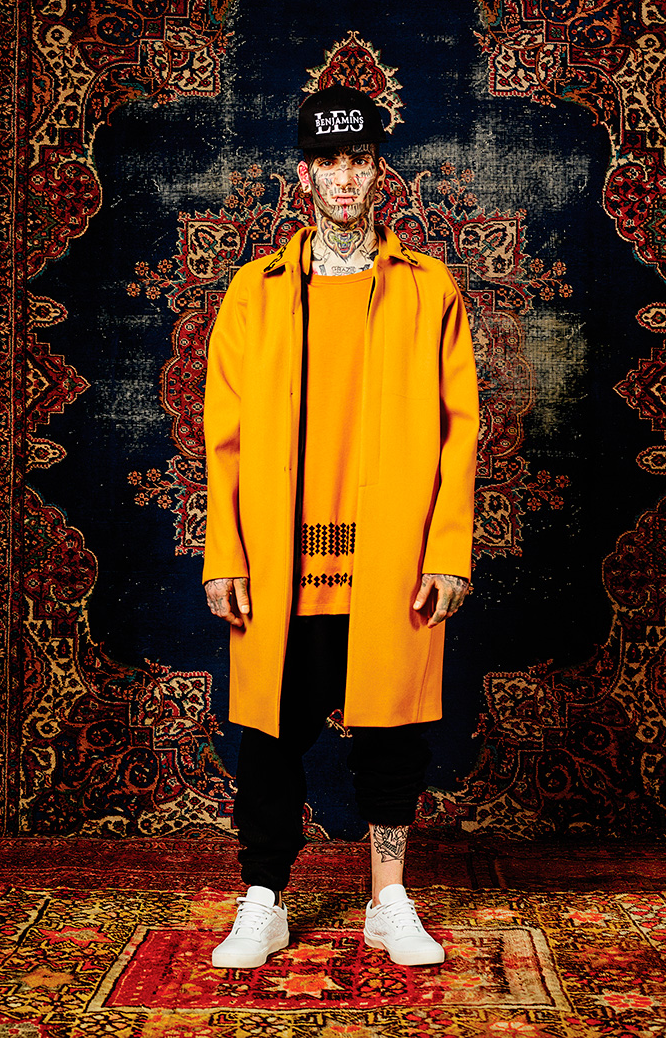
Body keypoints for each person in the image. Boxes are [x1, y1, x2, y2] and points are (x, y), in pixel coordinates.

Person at [203, 84, 479, 970]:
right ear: (304, 175)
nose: (346, 177)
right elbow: (222, 436)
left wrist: (448, 550)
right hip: (281, 557)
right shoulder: (254, 293)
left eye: (359, 159)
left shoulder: (429, 289)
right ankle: (264, 899)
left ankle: (387, 899)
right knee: (269, 733)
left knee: (394, 731)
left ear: (378, 170)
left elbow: (460, 430)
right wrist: (224, 552)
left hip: (391, 555)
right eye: (328, 161)